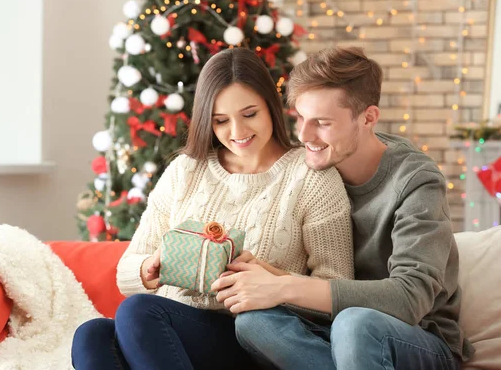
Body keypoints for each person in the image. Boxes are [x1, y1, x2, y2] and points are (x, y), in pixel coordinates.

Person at [71, 48, 354, 370]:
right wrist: (152, 266)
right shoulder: (186, 171)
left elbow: (337, 288)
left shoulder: (312, 177)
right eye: (221, 121)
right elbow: (126, 272)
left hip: (253, 336)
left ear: (271, 108)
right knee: (92, 334)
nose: (237, 133)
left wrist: (270, 279)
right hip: (170, 328)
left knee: (140, 312)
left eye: (249, 114)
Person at [212, 46, 475, 369]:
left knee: (356, 324)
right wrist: (270, 279)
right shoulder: (314, 170)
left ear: (368, 118)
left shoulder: (416, 181)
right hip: (333, 329)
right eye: (300, 119)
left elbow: (411, 298)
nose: (304, 136)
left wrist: (284, 286)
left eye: (322, 123)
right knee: (254, 323)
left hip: (417, 339)